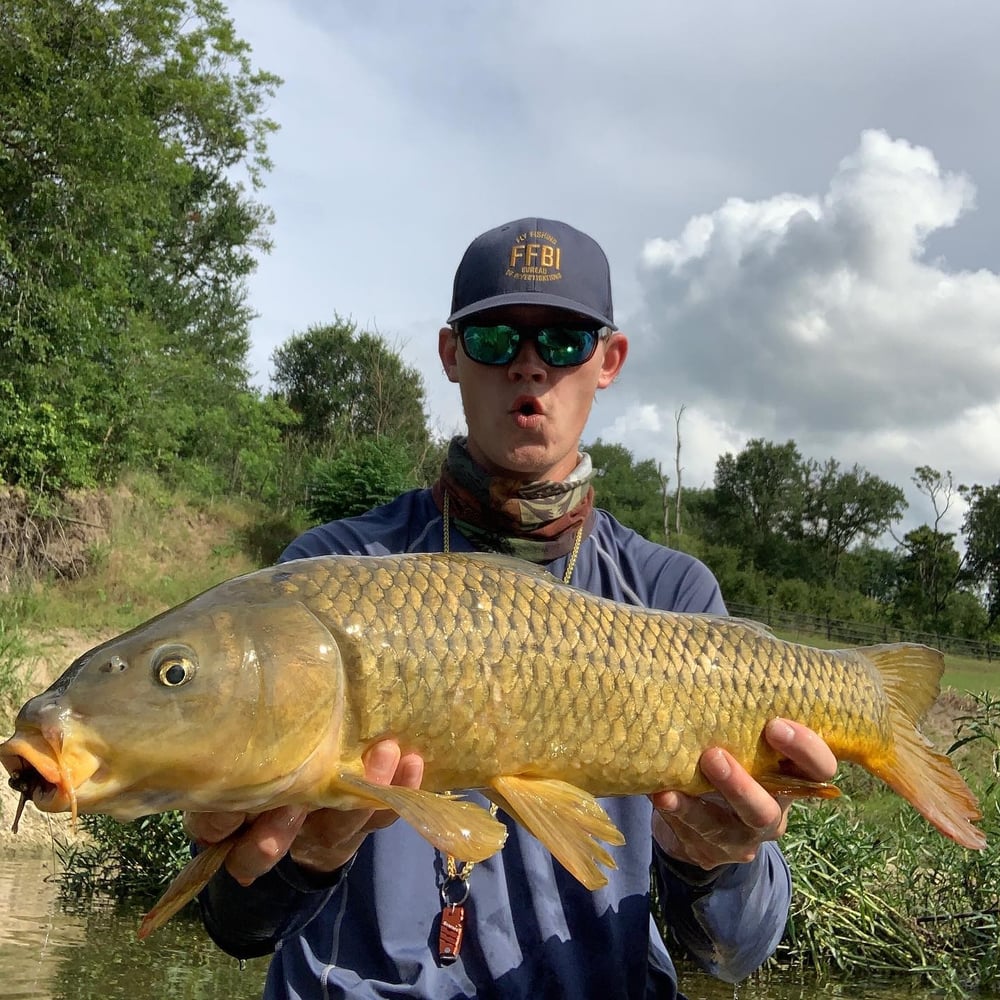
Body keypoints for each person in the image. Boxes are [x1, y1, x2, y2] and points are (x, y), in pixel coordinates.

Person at [187, 217, 837, 999]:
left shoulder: (673, 599)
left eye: (563, 342)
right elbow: (237, 926)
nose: (530, 368)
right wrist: (308, 857)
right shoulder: (332, 578)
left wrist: (711, 862)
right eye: (498, 338)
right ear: (452, 352)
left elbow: (733, 953)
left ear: (609, 361)